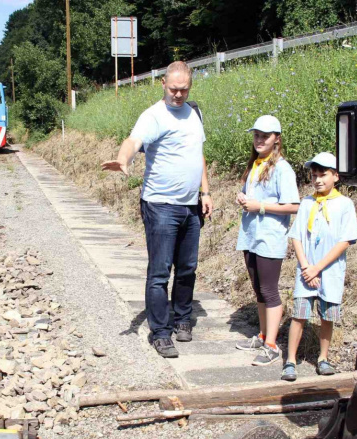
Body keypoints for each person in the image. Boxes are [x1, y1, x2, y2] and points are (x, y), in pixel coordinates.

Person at [101, 61, 213, 358]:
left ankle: (182, 318)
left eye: (184, 89)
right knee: (160, 272)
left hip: (190, 206)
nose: (178, 95)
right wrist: (123, 159)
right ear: (163, 84)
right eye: (174, 89)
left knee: (187, 268)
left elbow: (198, 155)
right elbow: (133, 141)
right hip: (161, 205)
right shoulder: (153, 116)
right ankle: (161, 332)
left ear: (190, 86)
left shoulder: (194, 113)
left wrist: (206, 191)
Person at [282, 152, 357, 381]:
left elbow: (344, 241)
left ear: (335, 176)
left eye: (323, 174)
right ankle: (290, 360)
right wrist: (307, 266)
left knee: (327, 316)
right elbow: (296, 236)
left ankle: (323, 358)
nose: (317, 179)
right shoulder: (307, 202)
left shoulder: (345, 204)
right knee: (299, 314)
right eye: (314, 175)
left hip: (330, 271)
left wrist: (319, 268)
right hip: (305, 271)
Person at [233, 115, 300, 366]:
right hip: (251, 236)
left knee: (270, 290)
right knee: (258, 289)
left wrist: (258, 205)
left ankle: (271, 345)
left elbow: (293, 205)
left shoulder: (282, 168)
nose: (259, 140)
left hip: (270, 238)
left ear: (277, 139)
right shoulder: (256, 165)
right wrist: (244, 198)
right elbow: (255, 199)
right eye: (256, 135)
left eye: (265, 136)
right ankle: (262, 335)